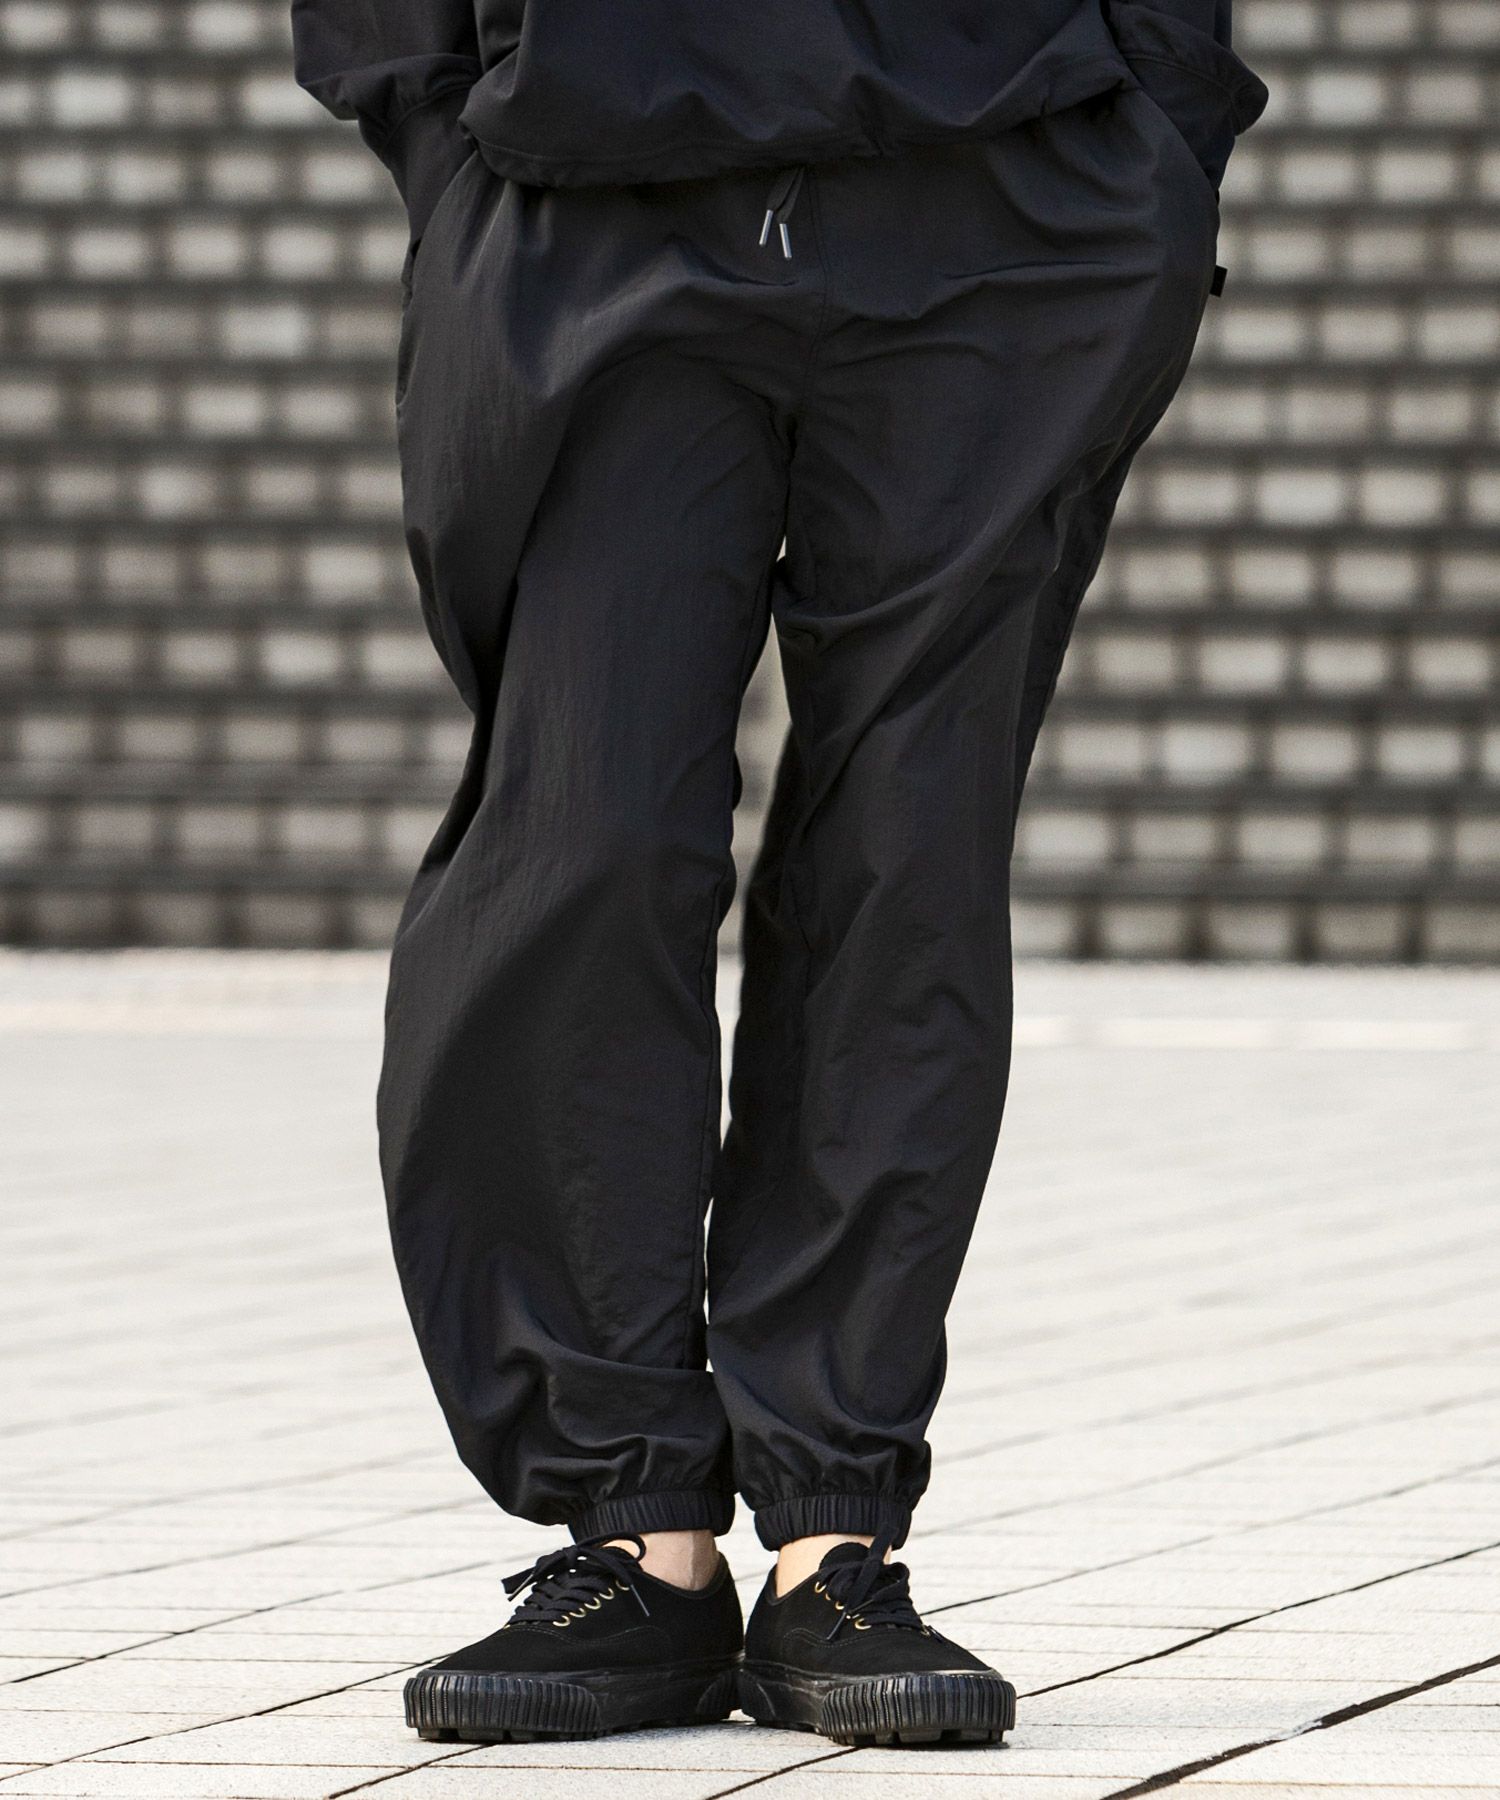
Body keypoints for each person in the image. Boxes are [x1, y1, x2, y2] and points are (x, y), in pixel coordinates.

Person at [292, 0, 1266, 1751]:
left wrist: (1160, 122)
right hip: (592, 193)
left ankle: (836, 1532)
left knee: (910, 860)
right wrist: (443, 131)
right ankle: (632, 1528)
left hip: (1007, 195)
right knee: (578, 841)